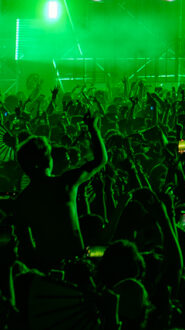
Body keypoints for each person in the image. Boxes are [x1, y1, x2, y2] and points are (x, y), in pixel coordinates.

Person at [14, 109, 108, 269]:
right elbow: (100, 159)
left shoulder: (22, 201)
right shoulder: (65, 184)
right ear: (47, 161)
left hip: (46, 265)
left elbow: (26, 246)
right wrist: (94, 129)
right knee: (105, 253)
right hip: (76, 263)